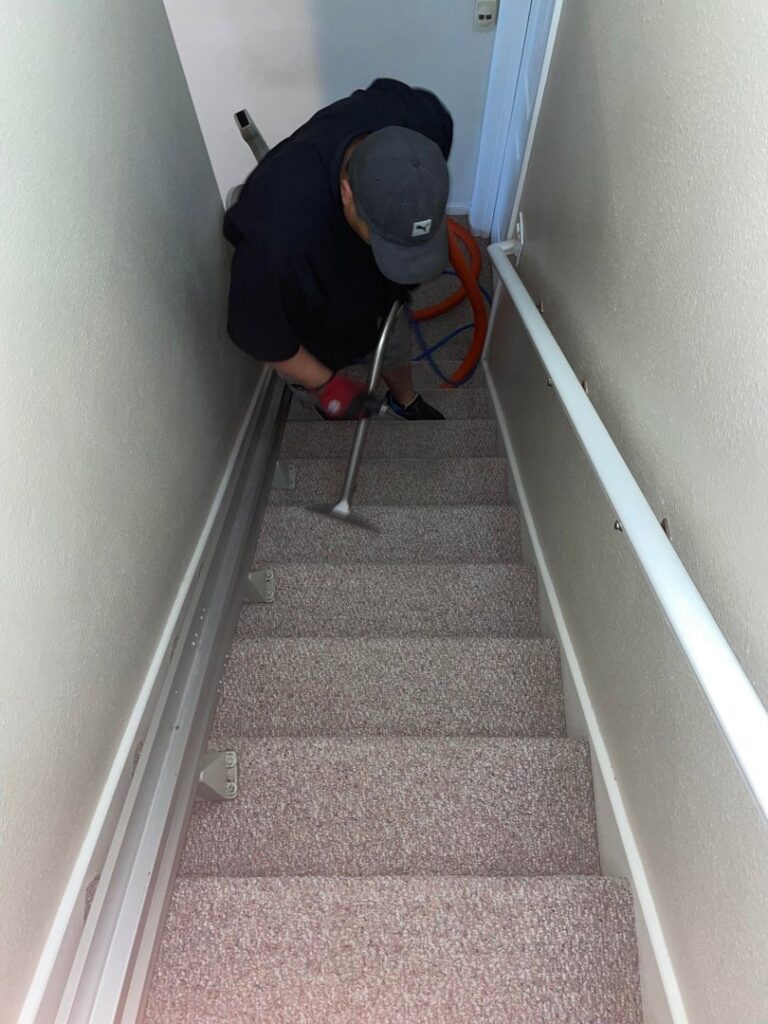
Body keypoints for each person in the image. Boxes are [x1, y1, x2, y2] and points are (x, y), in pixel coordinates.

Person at [223, 78, 453, 420]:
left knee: (391, 331)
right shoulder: (280, 236)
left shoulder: (423, 120)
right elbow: (256, 330)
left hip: (353, 266)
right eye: (383, 240)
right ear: (346, 191)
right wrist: (327, 385)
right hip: (308, 287)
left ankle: (403, 398)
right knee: (318, 344)